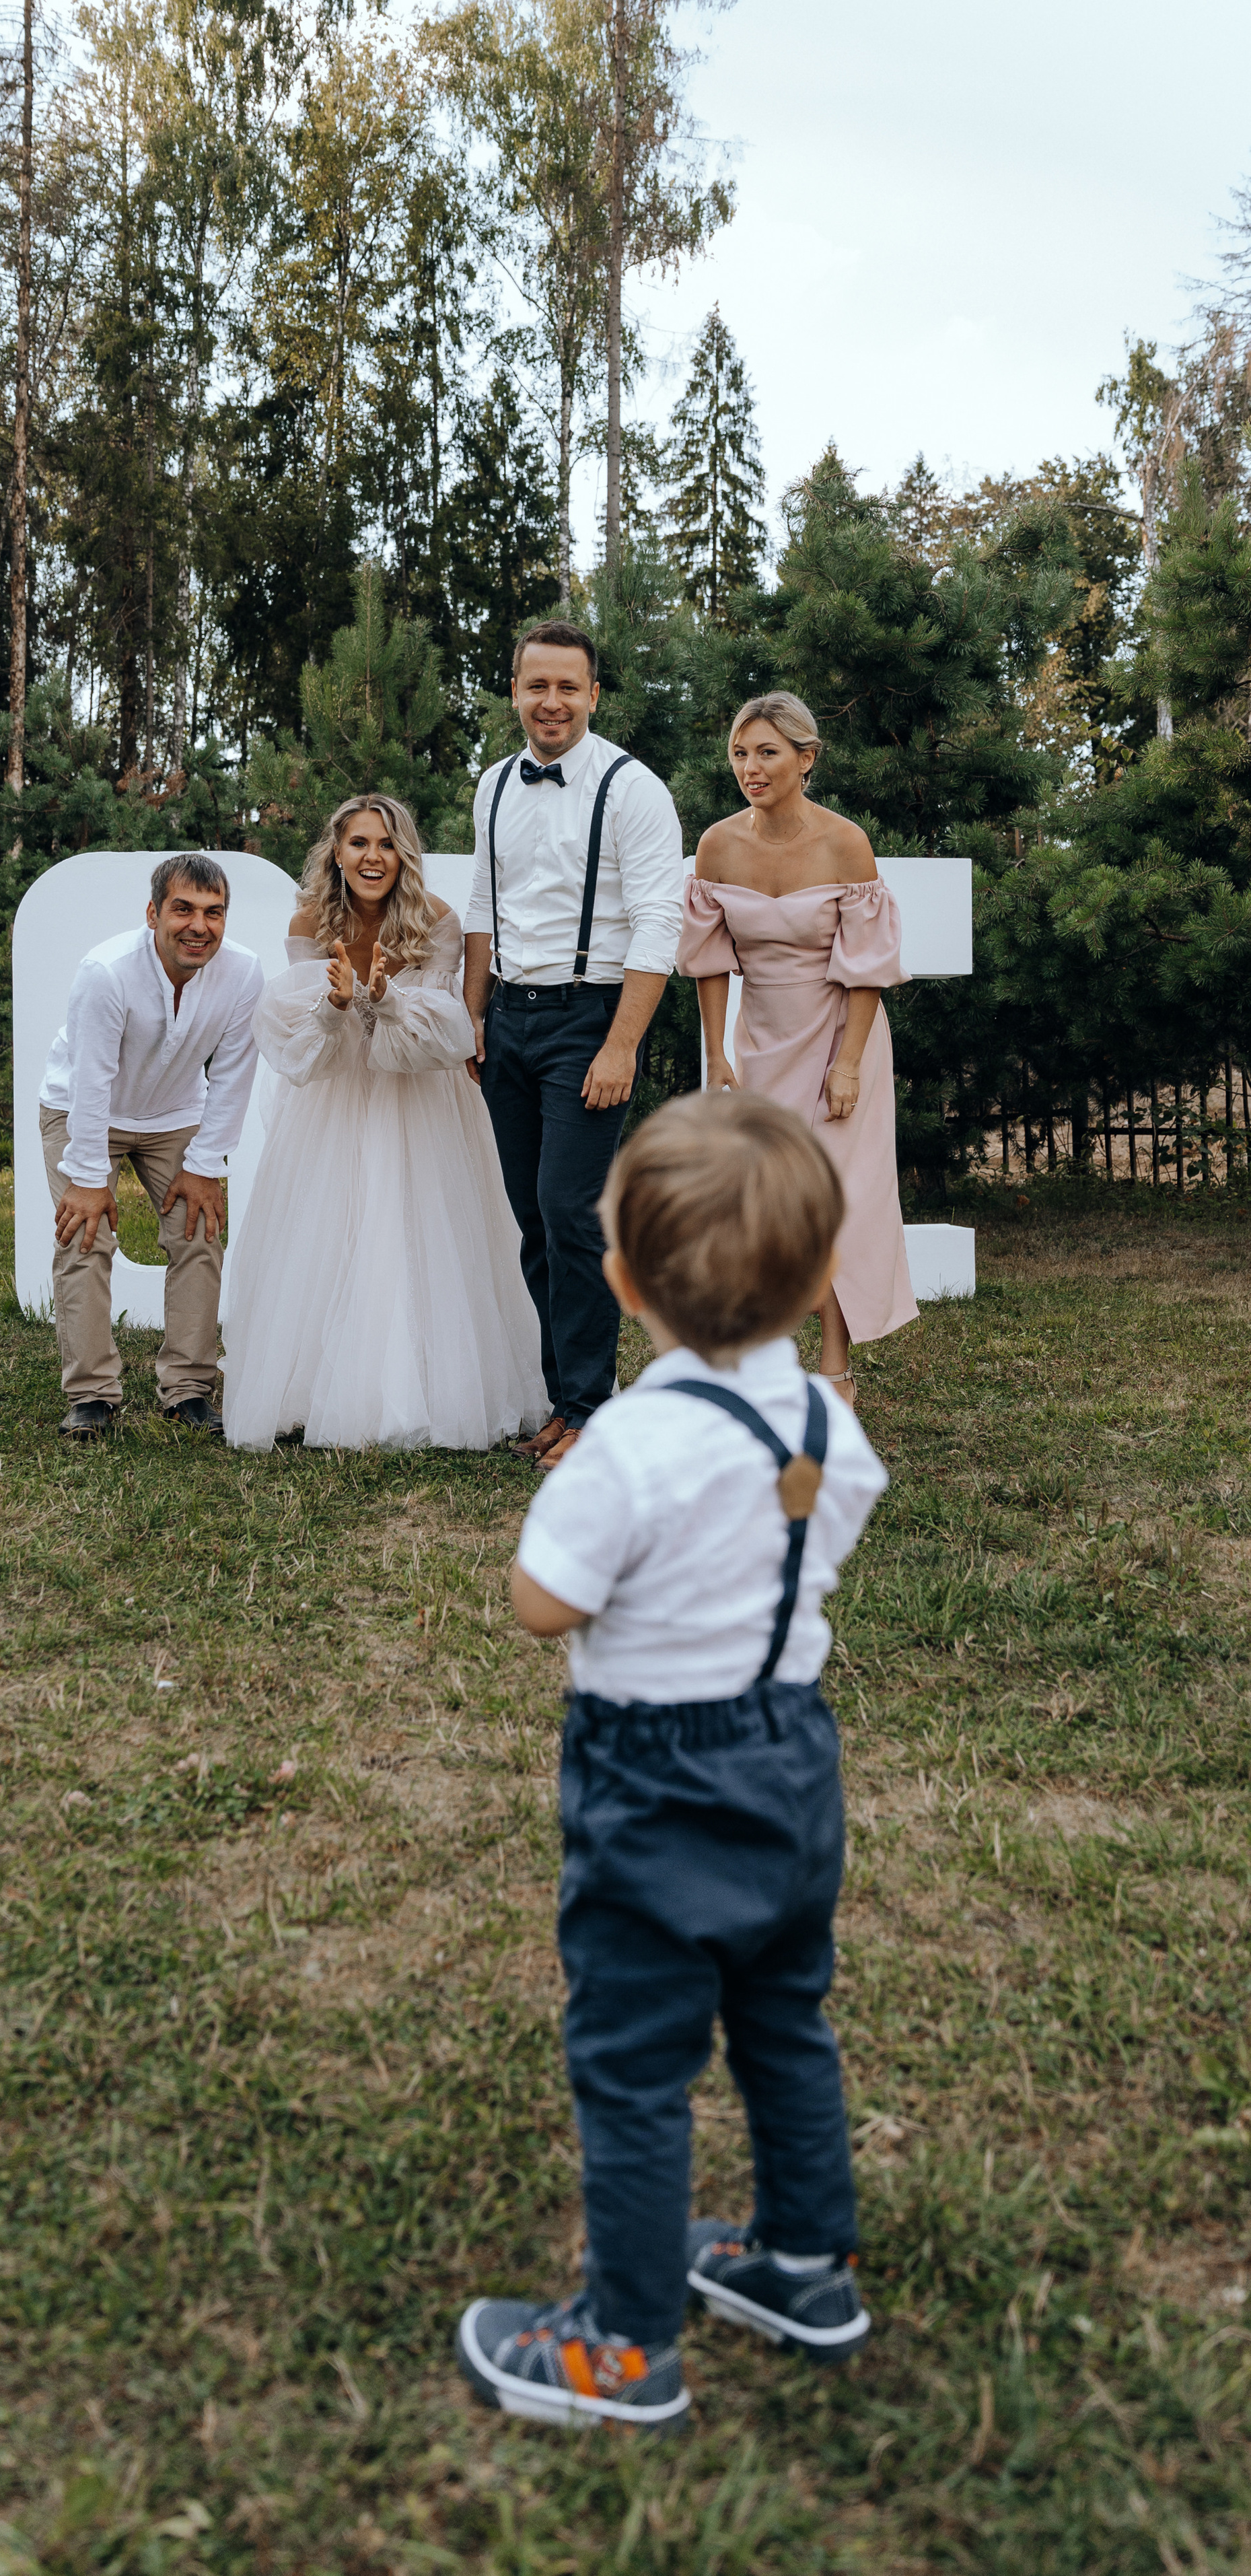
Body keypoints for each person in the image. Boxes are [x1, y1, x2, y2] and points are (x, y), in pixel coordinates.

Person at [456, 1090, 888, 2430]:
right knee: (780, 2018)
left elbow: (542, 1603)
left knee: (634, 2064)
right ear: (818, 1275)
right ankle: (806, 2265)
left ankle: (623, 2348)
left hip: (657, 1784)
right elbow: (812, 1532)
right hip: (788, 1758)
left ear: (622, 1277)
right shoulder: (825, 1426)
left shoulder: (630, 1442)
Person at [223, 794, 546, 1452]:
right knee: (332, 1228)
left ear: (404, 855)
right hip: (338, 1095)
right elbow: (304, 1041)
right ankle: (318, 1390)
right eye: (359, 844)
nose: (373, 857)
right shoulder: (310, 920)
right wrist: (336, 1006)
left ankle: (435, 1388)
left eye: (386, 844)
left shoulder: (437, 921)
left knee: (424, 1231)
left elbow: (446, 1035)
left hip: (421, 1095)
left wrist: (385, 998)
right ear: (336, 853)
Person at [462, 620, 686, 1469]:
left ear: (594, 695)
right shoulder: (491, 784)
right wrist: (472, 1015)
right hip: (508, 1022)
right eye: (535, 686)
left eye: (567, 687)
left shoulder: (634, 789)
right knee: (531, 1220)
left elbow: (658, 923)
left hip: (590, 1022)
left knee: (572, 1213)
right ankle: (566, 1401)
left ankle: (594, 1408)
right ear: (515, 692)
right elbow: (484, 905)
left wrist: (622, 1043)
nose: (550, 702)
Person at [678, 692, 917, 1406]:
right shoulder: (717, 844)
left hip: (845, 1037)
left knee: (838, 1198)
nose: (749, 767)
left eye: (766, 753)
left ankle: (834, 1369)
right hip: (762, 1041)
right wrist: (718, 1053)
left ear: (806, 759)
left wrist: (847, 1063)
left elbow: (869, 967)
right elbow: (708, 959)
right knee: (766, 1201)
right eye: (739, 754)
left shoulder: (845, 842)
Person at [40, 853, 262, 1438]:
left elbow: (234, 1074)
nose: (199, 926)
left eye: (214, 913)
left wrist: (206, 1164)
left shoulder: (243, 973)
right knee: (84, 1237)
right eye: (183, 909)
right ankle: (91, 1396)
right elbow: (91, 1080)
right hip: (84, 1109)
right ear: (153, 913)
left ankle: (188, 1389)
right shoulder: (106, 971)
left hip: (175, 1113)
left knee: (201, 1230)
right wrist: (89, 1176)